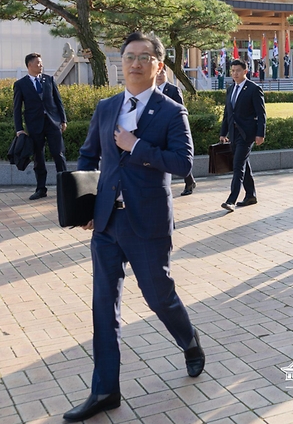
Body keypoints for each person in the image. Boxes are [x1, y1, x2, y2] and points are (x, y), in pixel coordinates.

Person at [66, 32, 203, 422]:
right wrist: (86, 205)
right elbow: (88, 155)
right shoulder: (106, 107)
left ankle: (189, 339)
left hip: (147, 223)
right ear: (120, 63)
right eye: (129, 56)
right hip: (107, 223)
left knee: (159, 296)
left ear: (159, 65)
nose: (136, 63)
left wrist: (135, 146)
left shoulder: (171, 110)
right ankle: (105, 390)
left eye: (145, 57)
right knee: (103, 307)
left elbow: (183, 164)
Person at [13, 53, 67, 200]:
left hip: (53, 123)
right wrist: (19, 129)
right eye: (38, 63)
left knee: (58, 154)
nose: (41, 65)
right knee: (39, 157)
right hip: (34, 125)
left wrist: (63, 120)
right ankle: (41, 189)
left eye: (41, 63)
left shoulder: (49, 80)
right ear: (29, 65)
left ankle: (65, 188)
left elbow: (58, 101)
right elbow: (17, 108)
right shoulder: (21, 85)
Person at [218, 58, 266, 211]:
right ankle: (251, 195)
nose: (235, 73)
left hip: (247, 134)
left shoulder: (253, 89)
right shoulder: (231, 89)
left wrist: (260, 134)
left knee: (237, 165)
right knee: (243, 164)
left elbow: (261, 114)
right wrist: (223, 132)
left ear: (245, 71)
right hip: (233, 134)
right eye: (232, 71)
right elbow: (227, 113)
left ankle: (231, 200)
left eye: (238, 71)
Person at [156, 70, 198, 196]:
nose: (158, 76)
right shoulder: (152, 90)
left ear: (166, 75)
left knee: (177, 158)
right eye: (157, 74)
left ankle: (189, 182)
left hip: (171, 129)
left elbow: (180, 109)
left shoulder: (173, 90)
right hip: (157, 129)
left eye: (161, 74)